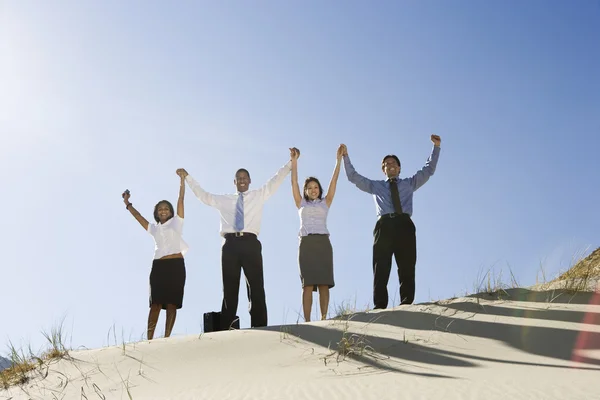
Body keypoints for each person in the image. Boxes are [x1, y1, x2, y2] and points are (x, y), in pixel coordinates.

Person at [178, 150, 293, 330]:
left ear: (249, 181)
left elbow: (275, 180)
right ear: (234, 182)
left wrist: (290, 163)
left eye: (244, 177)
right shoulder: (224, 200)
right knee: (229, 288)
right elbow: (204, 196)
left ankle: (260, 326)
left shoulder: (258, 195)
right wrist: (188, 178)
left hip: (251, 243)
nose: (241, 180)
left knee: (256, 286)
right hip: (230, 245)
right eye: (238, 178)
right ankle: (227, 328)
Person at [342, 135, 441, 309]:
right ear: (383, 169)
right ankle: (380, 306)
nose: (390, 165)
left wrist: (436, 147)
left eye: (393, 163)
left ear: (399, 168)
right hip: (384, 226)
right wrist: (345, 156)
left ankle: (406, 304)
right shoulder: (375, 186)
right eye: (387, 164)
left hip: (404, 225)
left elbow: (428, 170)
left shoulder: (409, 183)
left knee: (407, 266)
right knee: (381, 267)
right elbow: (353, 177)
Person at [122, 169, 189, 340]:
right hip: (159, 266)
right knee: (156, 304)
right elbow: (138, 217)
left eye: (166, 208)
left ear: (171, 211)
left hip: (176, 266)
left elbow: (180, 200)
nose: (164, 210)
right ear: (157, 213)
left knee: (172, 303)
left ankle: (166, 337)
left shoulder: (177, 222)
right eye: (160, 209)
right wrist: (128, 204)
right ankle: (149, 339)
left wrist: (182, 181)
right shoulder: (154, 228)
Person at [290, 145, 343, 322]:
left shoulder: (325, 202)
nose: (313, 190)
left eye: (316, 187)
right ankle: (306, 321)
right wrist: (294, 161)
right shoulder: (301, 203)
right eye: (310, 188)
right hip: (306, 244)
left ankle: (323, 318)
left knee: (323, 283)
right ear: (305, 191)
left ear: (319, 190)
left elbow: (334, 181)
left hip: (323, 244)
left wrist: (338, 161)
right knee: (307, 284)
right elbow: (294, 182)